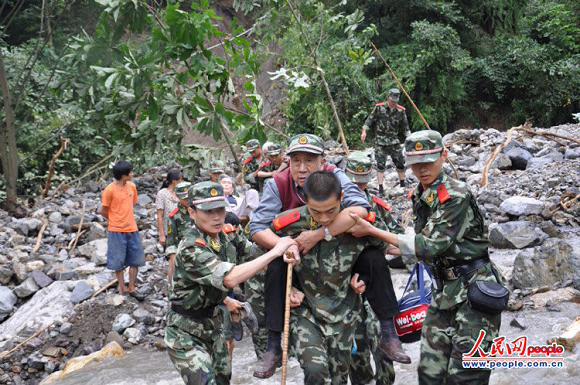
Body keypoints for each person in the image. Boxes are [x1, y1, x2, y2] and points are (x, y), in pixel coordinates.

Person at [348, 130, 503, 385]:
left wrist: (372, 231)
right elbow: (409, 247)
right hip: (442, 293)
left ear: (444, 155)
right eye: (415, 164)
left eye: (428, 162)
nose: (422, 169)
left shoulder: (455, 194)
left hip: (475, 293)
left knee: (466, 376)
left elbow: (429, 245)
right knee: (429, 374)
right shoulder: (422, 194)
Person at [250, 133, 409, 379]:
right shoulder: (278, 185)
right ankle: (272, 344)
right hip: (299, 263)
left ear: (323, 161)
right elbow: (258, 230)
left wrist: (319, 233)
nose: (302, 169)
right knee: (274, 265)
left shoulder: (337, 179)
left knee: (374, 257)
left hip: (341, 268)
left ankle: (389, 332)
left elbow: (361, 210)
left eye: (310, 161)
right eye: (296, 161)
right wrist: (285, 246)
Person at [164, 181, 298, 385]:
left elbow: (252, 252)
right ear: (192, 212)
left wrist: (285, 243)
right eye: (208, 212)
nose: (217, 217)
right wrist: (276, 251)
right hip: (185, 332)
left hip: (215, 323)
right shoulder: (191, 248)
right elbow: (230, 278)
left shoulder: (226, 235)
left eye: (220, 209)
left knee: (223, 380)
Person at [272, 171, 383, 385]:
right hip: (306, 311)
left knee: (339, 377)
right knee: (315, 372)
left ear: (342, 198)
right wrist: (286, 291)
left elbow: (379, 252)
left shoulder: (355, 222)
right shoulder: (288, 224)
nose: (323, 218)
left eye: (330, 211)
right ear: (305, 199)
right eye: (316, 212)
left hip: (344, 310)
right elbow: (260, 261)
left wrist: (365, 277)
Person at [345, 151, 405, 385]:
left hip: (377, 292)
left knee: (384, 352)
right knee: (356, 356)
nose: (358, 187)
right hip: (348, 290)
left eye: (362, 182)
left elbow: (395, 238)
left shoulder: (377, 206)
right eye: (354, 182)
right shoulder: (335, 208)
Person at [100, 160, 144, 295]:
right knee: (118, 261)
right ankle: (122, 287)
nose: (132, 174)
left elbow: (134, 203)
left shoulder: (132, 187)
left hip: (132, 228)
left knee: (136, 259)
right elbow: (103, 210)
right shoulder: (109, 190)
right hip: (116, 230)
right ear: (123, 175)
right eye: (130, 172)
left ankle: (132, 286)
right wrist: (114, 220)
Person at [361, 88, 410, 194]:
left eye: (395, 101)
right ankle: (381, 188)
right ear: (388, 98)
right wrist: (364, 131)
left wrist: (409, 138)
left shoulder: (401, 111)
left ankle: (402, 184)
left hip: (394, 141)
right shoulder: (379, 108)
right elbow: (369, 120)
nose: (393, 103)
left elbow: (405, 128)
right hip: (380, 141)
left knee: (400, 163)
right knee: (380, 165)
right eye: (392, 101)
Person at [165, 181, 193, 282]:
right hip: (182, 251)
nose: (187, 200)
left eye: (189, 197)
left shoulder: (200, 210)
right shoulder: (174, 216)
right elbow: (170, 241)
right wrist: (173, 257)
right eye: (184, 198)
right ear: (178, 198)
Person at [156, 169, 183, 248]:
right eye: (181, 180)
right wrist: (162, 235)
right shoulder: (162, 194)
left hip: (182, 231)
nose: (182, 182)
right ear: (174, 181)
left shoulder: (182, 193)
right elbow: (160, 216)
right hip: (169, 232)